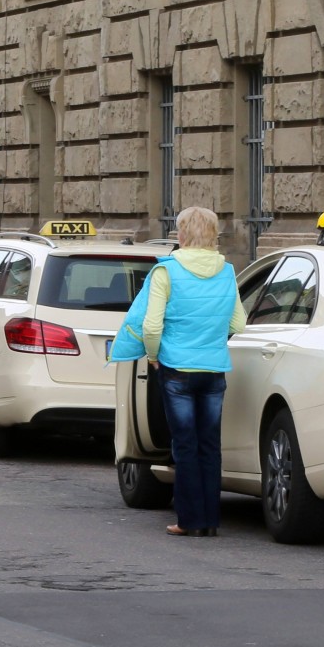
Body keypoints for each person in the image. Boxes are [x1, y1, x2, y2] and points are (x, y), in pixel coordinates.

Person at [111, 206, 246, 537]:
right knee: (209, 446)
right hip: (214, 370)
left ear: (182, 233)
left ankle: (188, 520)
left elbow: (152, 325)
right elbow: (238, 323)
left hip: (176, 369)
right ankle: (211, 521)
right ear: (213, 233)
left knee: (184, 445)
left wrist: (154, 355)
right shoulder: (227, 271)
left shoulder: (166, 271)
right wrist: (211, 340)